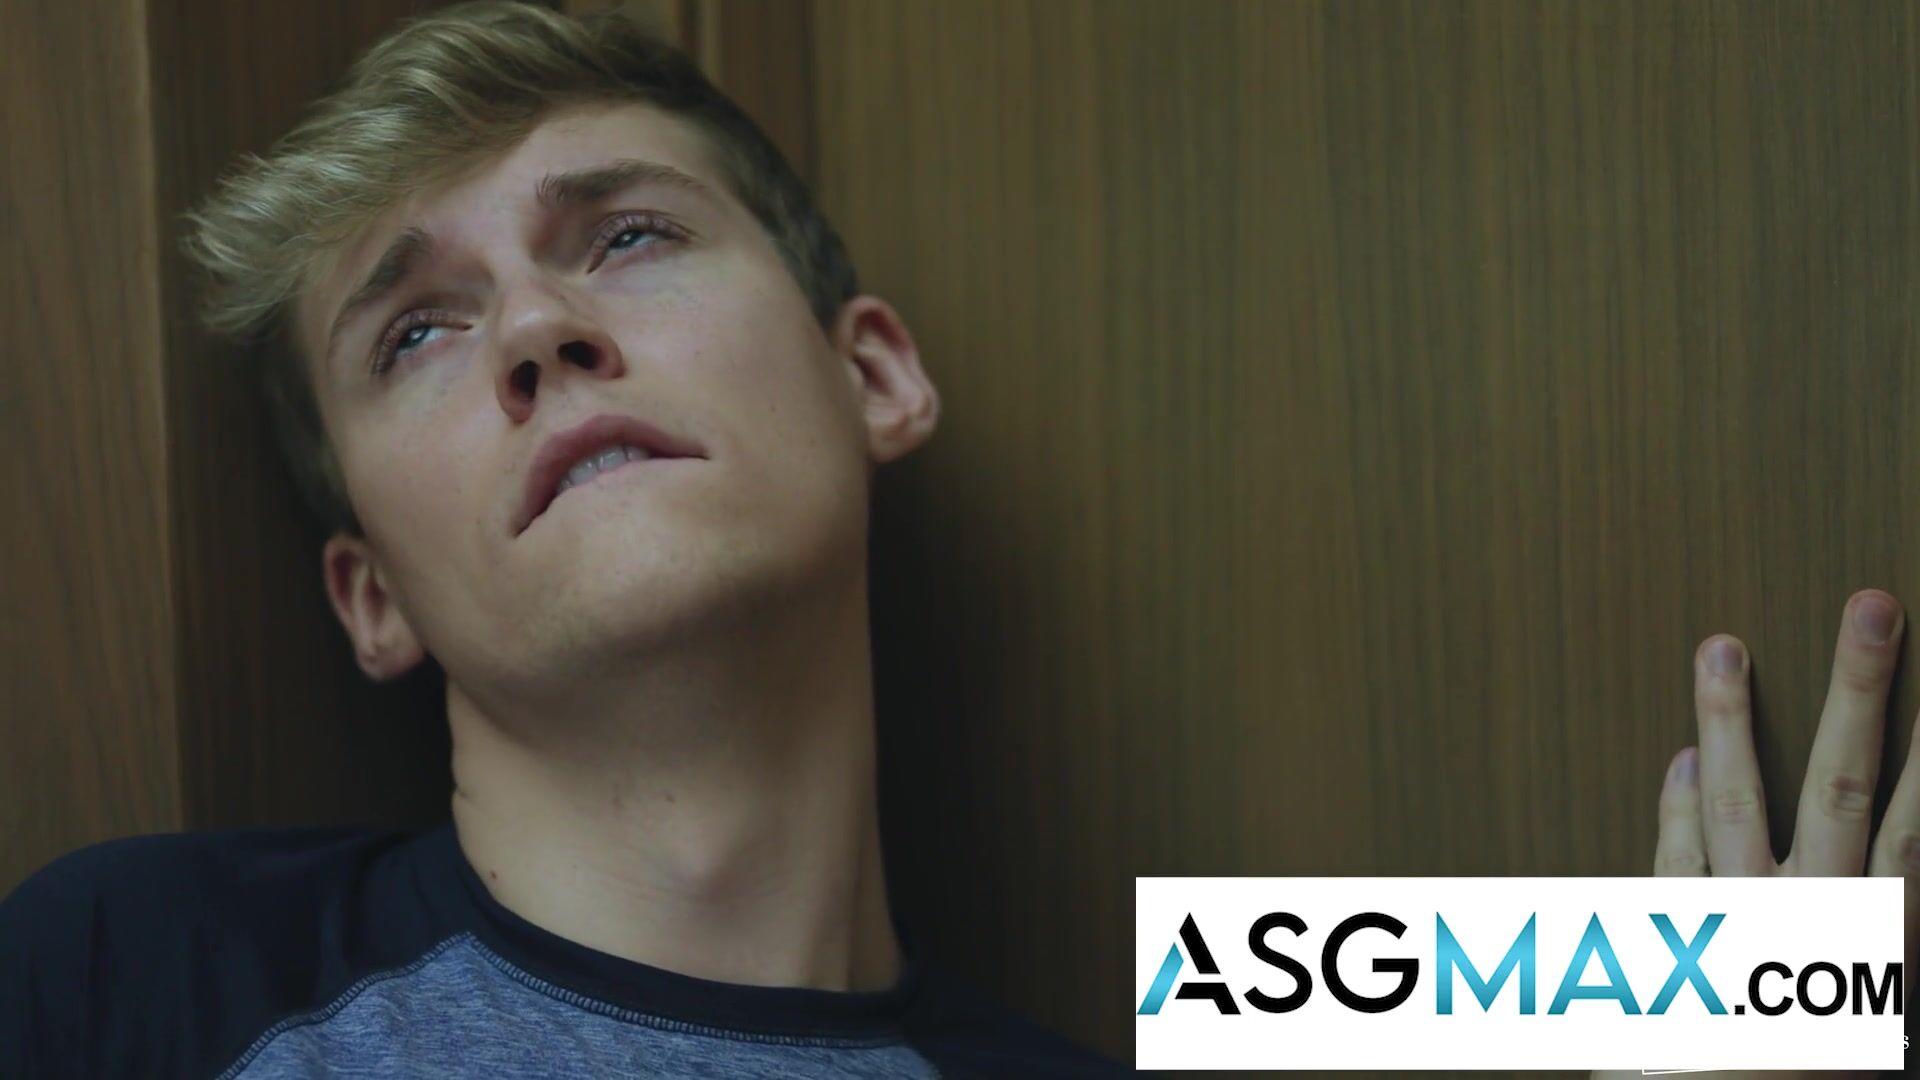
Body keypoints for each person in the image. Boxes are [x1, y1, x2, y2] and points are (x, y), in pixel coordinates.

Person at [0, 2, 1127, 1076]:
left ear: (871, 377)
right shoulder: (123, 986)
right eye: (415, 334)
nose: (536, 327)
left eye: (629, 237)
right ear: (373, 596)